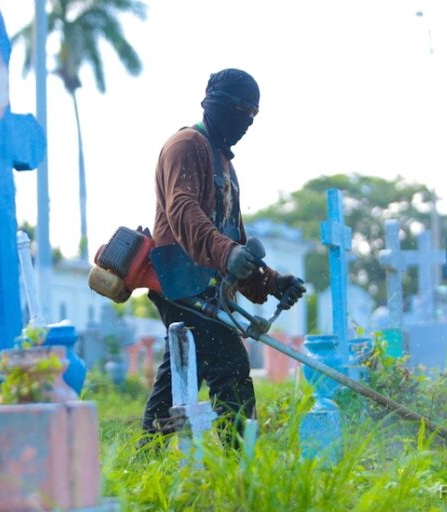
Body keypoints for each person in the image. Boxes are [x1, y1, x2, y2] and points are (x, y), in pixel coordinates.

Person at [142, 68, 306, 445]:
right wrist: (228, 252)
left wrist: (270, 280)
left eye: (253, 113)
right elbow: (183, 210)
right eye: (239, 109)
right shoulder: (185, 146)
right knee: (230, 366)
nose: (245, 120)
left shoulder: (225, 164)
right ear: (212, 104)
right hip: (181, 285)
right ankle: (240, 468)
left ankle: (145, 457)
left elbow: (235, 238)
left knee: (181, 372)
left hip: (209, 290)